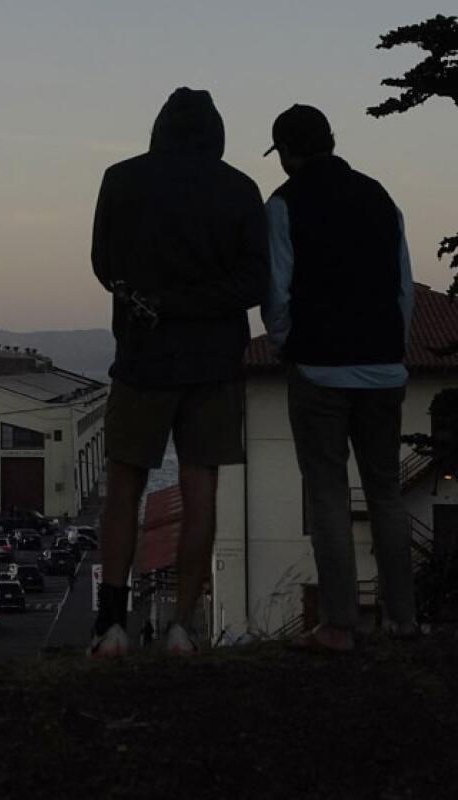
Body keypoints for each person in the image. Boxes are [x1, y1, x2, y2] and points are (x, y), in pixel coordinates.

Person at [89, 87, 268, 658]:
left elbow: (103, 265)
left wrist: (155, 303)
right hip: (214, 363)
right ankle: (183, 628)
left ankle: (111, 626)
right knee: (200, 491)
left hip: (142, 357)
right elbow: (252, 283)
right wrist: (196, 304)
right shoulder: (240, 189)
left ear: (159, 127)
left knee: (123, 490)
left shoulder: (120, 179)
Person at [260, 104, 418, 652]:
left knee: (327, 492)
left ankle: (339, 624)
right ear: (331, 140)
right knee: (386, 493)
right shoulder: (379, 197)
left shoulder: (283, 205)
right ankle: (404, 619)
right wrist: (393, 349)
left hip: (319, 370)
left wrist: (285, 345)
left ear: (285, 152)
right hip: (384, 369)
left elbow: (277, 291)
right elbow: (404, 287)